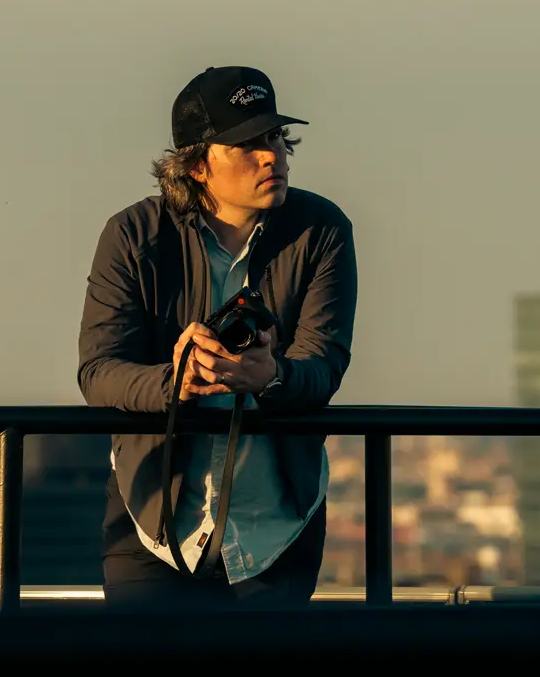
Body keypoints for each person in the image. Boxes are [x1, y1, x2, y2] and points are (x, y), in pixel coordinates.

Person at [77, 66, 358, 611]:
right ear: (198, 164)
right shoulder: (134, 234)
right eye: (248, 144)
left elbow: (324, 364)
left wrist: (272, 377)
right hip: (152, 521)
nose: (272, 155)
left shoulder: (321, 230)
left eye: (276, 137)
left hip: (275, 527)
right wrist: (174, 380)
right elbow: (98, 371)